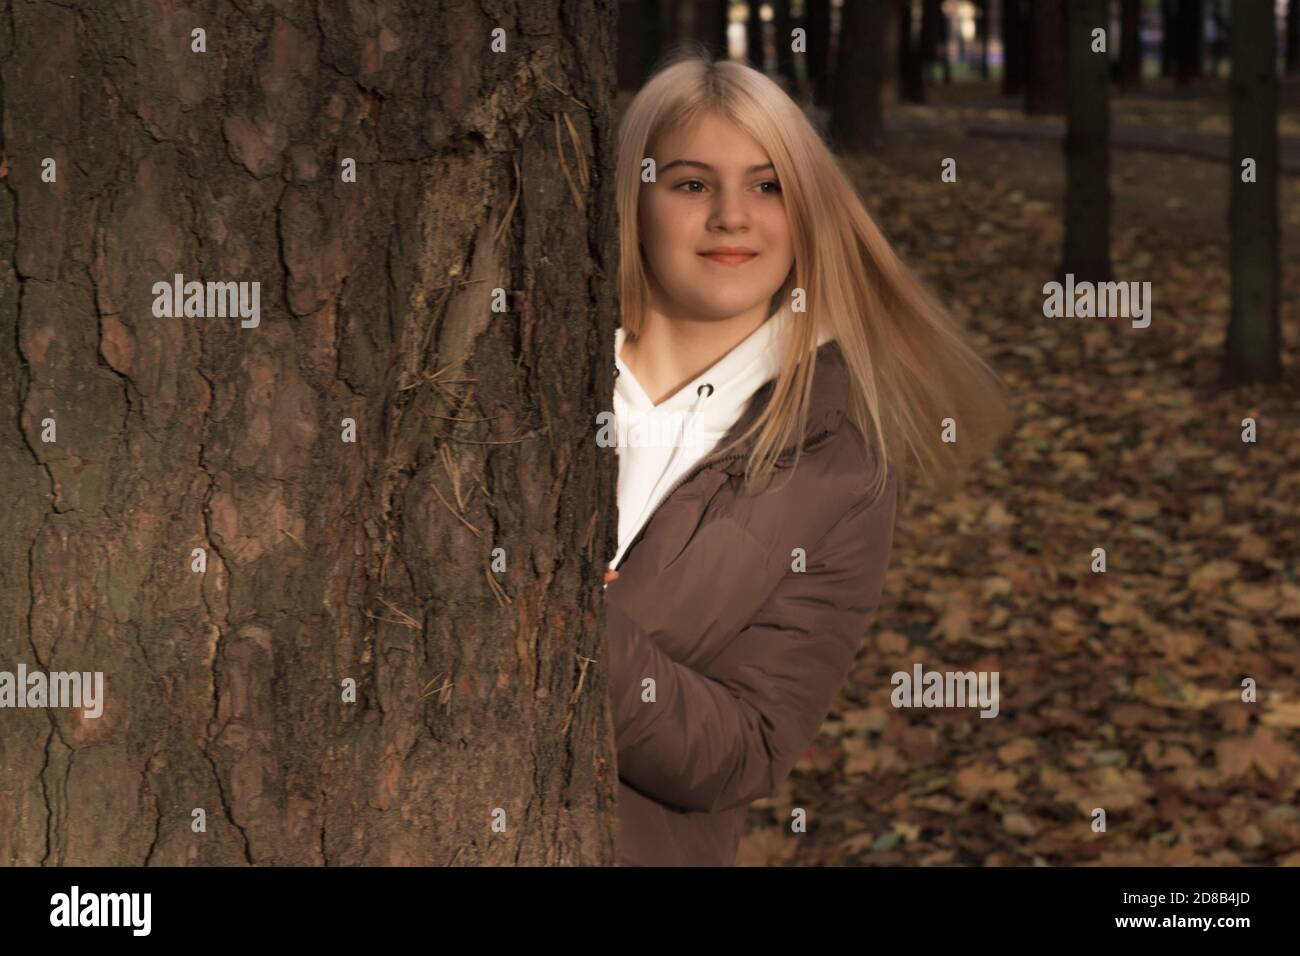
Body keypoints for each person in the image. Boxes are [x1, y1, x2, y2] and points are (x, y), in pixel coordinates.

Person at [602, 50, 1013, 866]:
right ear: (633, 200)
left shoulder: (841, 469)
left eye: (767, 186)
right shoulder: (507, 363)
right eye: (690, 184)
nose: (731, 216)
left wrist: (573, 629)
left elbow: (747, 747)